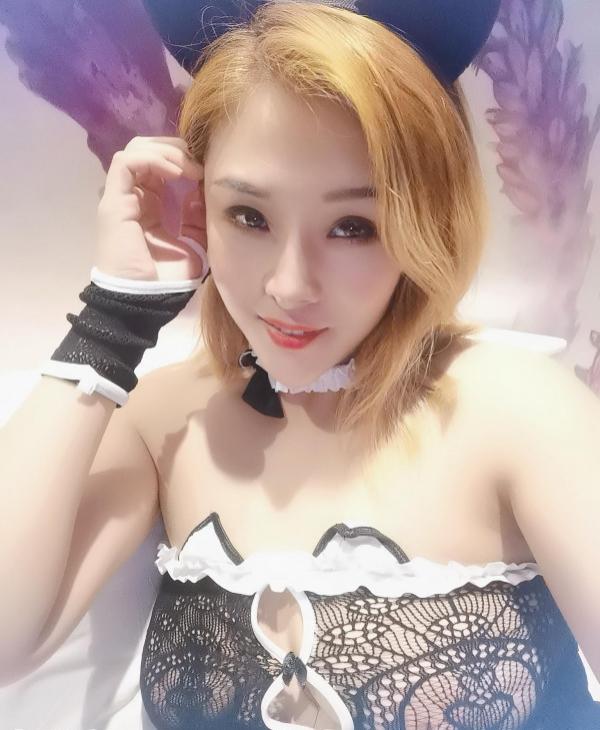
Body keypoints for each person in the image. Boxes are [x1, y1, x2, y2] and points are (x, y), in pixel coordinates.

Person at [1, 0, 599, 728]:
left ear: (426, 219)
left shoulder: (521, 413)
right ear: (200, 203)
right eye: (249, 216)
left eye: (353, 226)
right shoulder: (167, 419)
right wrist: (110, 320)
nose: (289, 286)